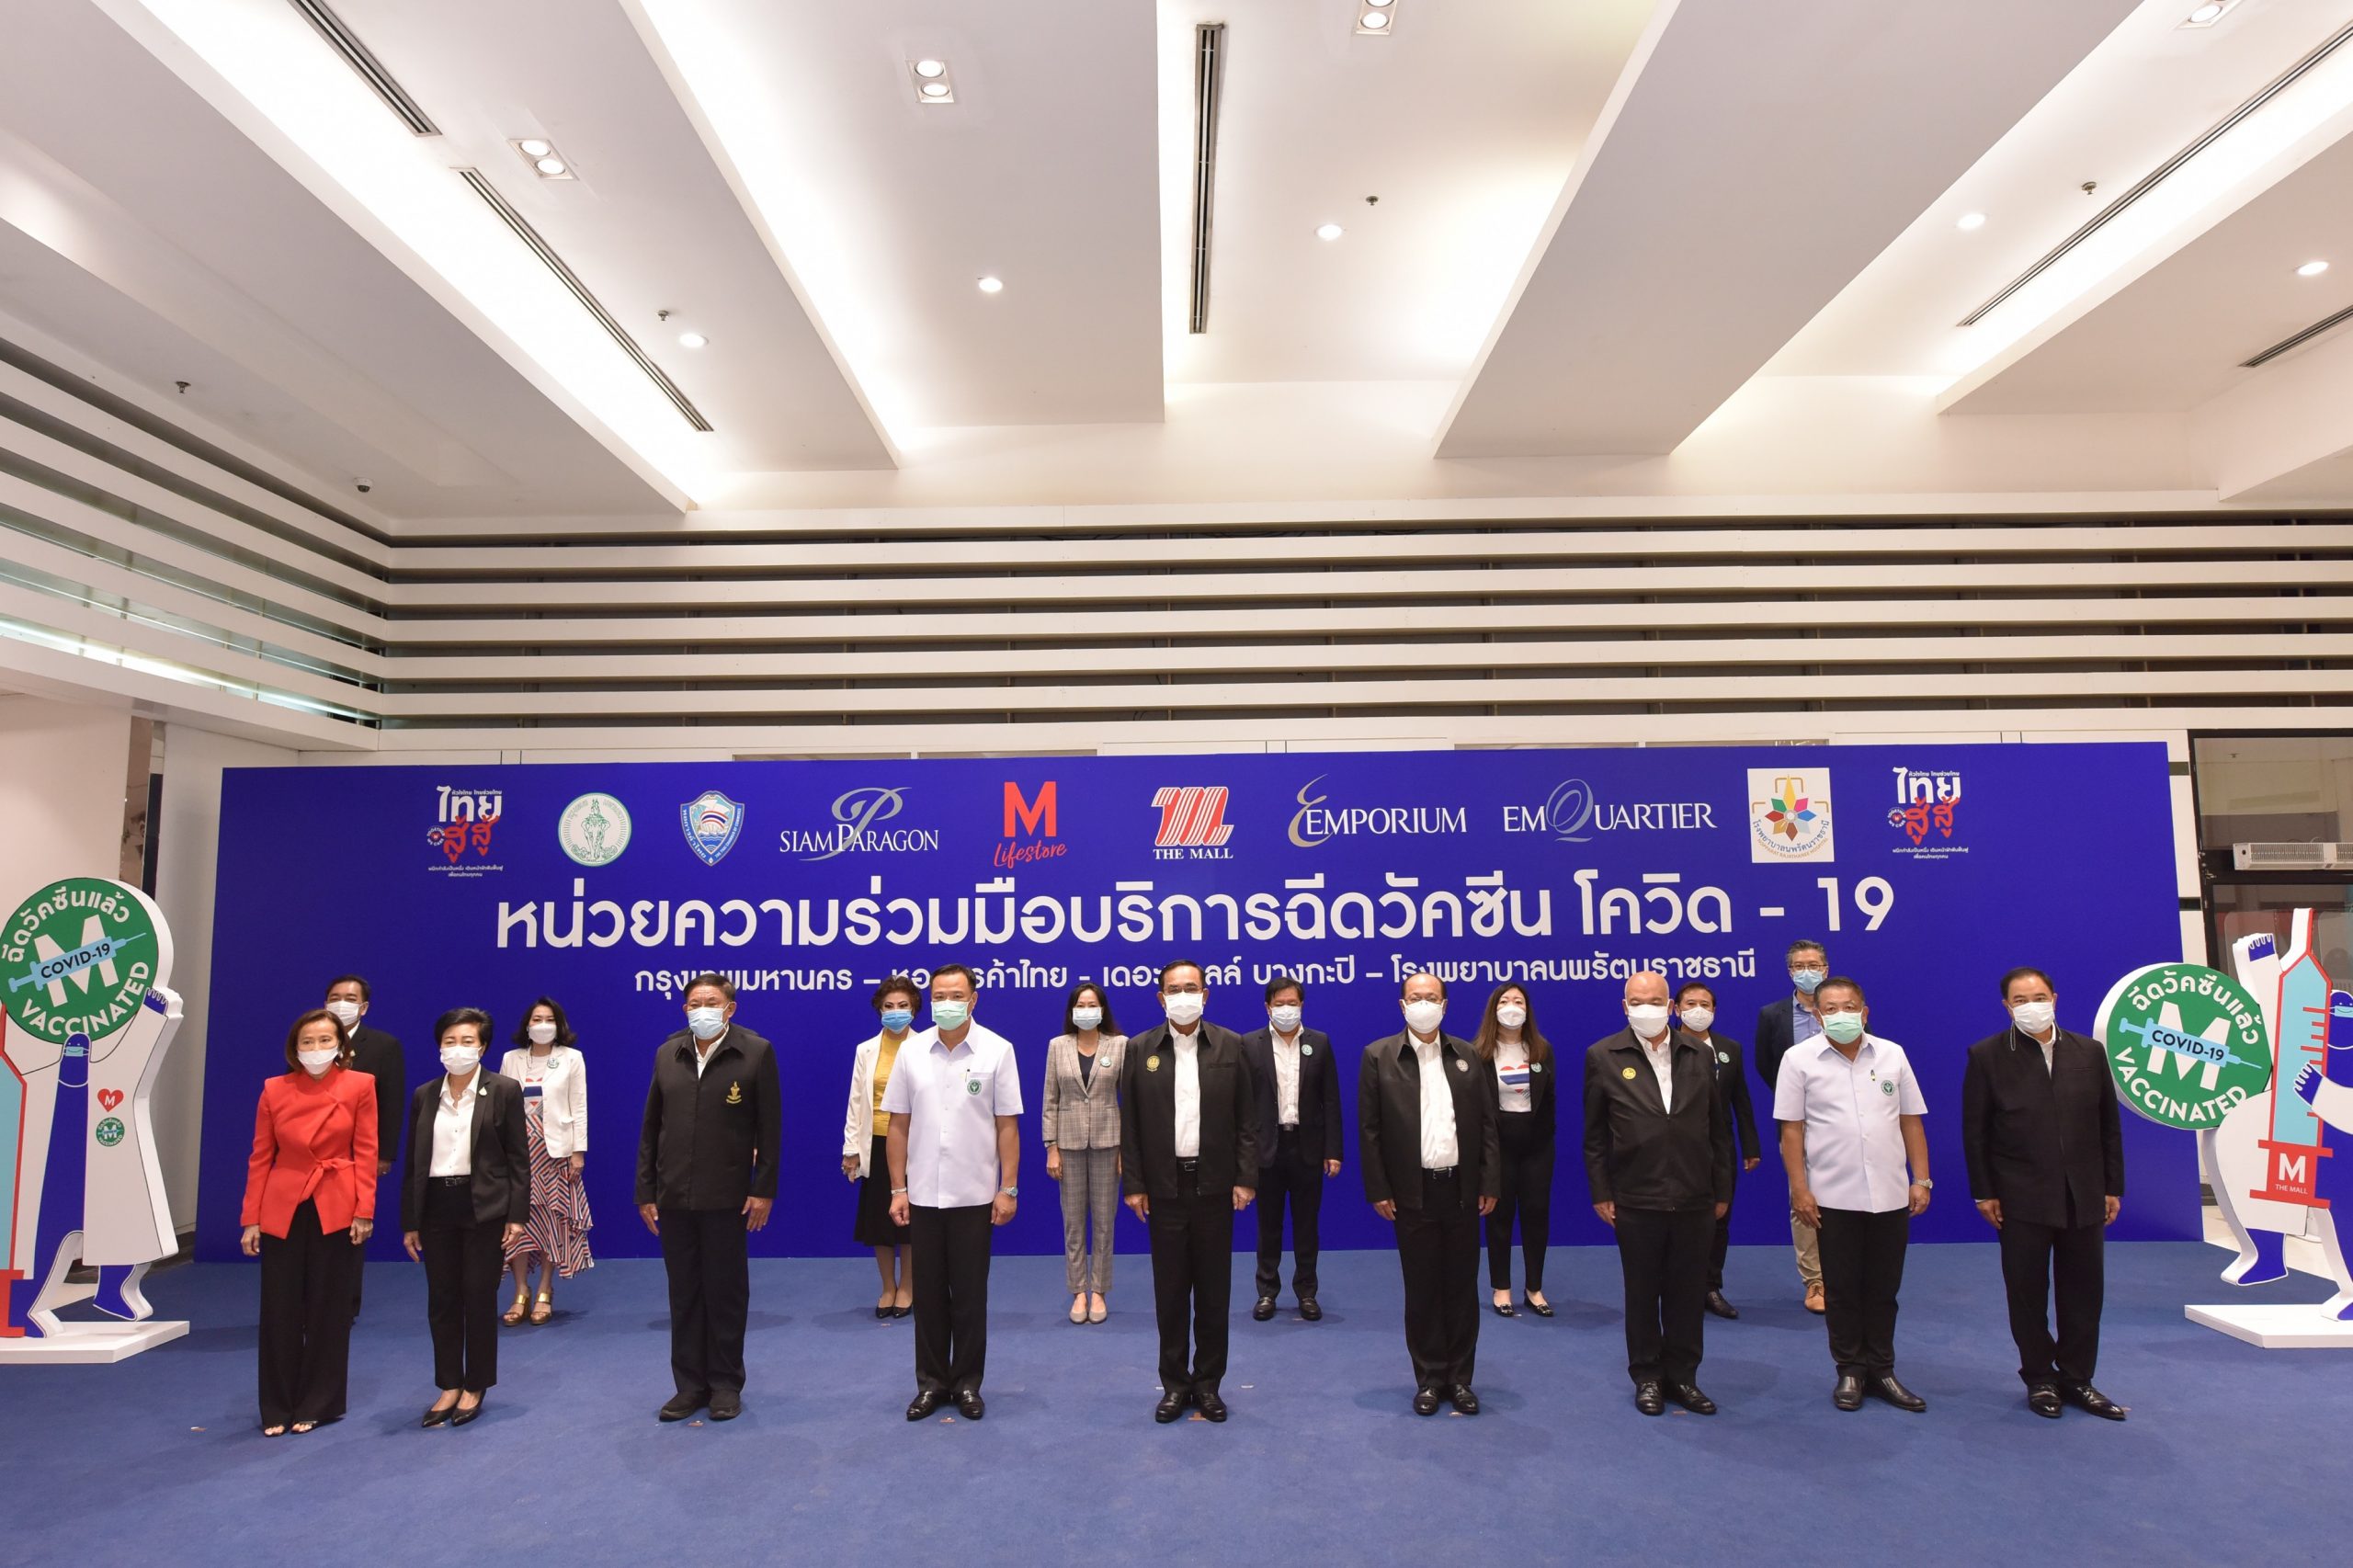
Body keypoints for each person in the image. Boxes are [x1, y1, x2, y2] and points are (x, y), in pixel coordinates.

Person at [1961, 967, 2128, 1421]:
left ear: (2054, 997)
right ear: (2007, 1007)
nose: (2031, 1004)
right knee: (2027, 1292)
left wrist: (2113, 1185)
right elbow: (1975, 1133)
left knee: (2083, 1292)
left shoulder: (2090, 1052)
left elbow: (2107, 1125)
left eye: (2038, 996)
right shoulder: (1987, 1056)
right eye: (2020, 999)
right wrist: (1984, 1192)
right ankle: (2039, 1378)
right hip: (2020, 1197)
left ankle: (2078, 1379)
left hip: (2084, 1194)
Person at [1775, 976, 1932, 1414]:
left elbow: (1911, 1120)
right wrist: (1800, 1190)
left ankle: (1882, 1369)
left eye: (1849, 1007)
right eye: (1830, 1008)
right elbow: (1792, 1130)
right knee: (1842, 1289)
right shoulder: (1798, 1059)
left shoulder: (1892, 1054)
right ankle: (1850, 1369)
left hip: (1889, 1195)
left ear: (1864, 1011)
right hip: (1830, 1197)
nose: (1840, 1014)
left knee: (1884, 1288)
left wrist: (1921, 1179)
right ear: (1818, 1014)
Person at [1585, 971, 1733, 1416]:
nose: (1646, 1008)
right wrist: (1601, 1191)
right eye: (1637, 1000)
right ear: (1624, 1006)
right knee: (1643, 1290)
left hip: (1695, 1194)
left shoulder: (1698, 1054)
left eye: (1655, 1000)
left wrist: (1722, 1187)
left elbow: (1719, 1130)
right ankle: (1648, 1376)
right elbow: (1594, 1136)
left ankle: (1684, 1377)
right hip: (1635, 1195)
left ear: (1671, 1006)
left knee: (1688, 1292)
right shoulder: (1603, 1056)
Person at [636, 973, 781, 1423]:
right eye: (694, 1002)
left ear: (730, 1008)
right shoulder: (668, 1053)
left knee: (725, 1292)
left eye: (712, 1001)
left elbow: (770, 1130)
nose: (702, 1008)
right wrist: (646, 1190)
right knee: (684, 1293)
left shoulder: (755, 1052)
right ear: (685, 1010)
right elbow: (650, 1129)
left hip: (729, 1196)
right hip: (673, 1194)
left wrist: (763, 1189)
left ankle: (724, 1384)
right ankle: (689, 1385)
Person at [885, 963, 1021, 1421]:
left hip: (976, 1196)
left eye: (956, 995)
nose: (947, 1002)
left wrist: (1008, 1188)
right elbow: (898, 1126)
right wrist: (897, 1188)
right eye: (939, 995)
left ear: (973, 999)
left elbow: (1007, 1126)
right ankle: (931, 1384)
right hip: (922, 1195)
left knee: (968, 1296)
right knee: (927, 1297)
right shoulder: (911, 1052)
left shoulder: (997, 1051)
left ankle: (966, 1384)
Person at [1359, 971, 1499, 1416]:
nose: (1425, 1004)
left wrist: (1489, 1181)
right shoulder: (1378, 1056)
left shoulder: (1468, 1056)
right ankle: (1429, 1377)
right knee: (1421, 1290)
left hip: (1461, 1190)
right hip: (1411, 1193)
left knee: (1460, 1288)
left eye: (1432, 997)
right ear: (1403, 1006)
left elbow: (1487, 1126)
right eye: (1416, 997)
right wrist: (1379, 1188)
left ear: (1445, 1004)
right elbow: (1371, 1131)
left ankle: (1460, 1379)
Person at [1122, 960, 1256, 1423]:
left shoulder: (1232, 1045)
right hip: (1163, 1188)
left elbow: (1247, 1120)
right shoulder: (1140, 1049)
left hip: (1216, 1186)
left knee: (1215, 1292)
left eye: (1191, 987)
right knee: (1172, 1292)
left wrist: (1245, 1177)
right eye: (1174, 989)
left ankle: (1209, 1384)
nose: (1183, 995)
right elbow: (1131, 1125)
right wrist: (1135, 1184)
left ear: (1206, 993)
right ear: (1161, 998)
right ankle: (1175, 1384)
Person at [241, 1009, 379, 1436]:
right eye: (307, 1042)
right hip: (282, 1205)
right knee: (279, 1309)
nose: (316, 1049)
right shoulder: (274, 1089)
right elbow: (261, 1156)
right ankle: (277, 1406)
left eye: (324, 1040)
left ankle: (318, 1402)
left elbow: (366, 1151)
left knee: (328, 1308)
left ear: (341, 1045)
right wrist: (251, 1219)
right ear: (294, 1048)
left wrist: (364, 1210)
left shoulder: (361, 1085)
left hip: (335, 1202)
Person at [400, 1008, 529, 1427]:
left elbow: (517, 1160)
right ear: (439, 1046)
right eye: (450, 1041)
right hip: (437, 1206)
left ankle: (476, 1384)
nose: (458, 1049)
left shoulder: (504, 1090)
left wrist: (516, 1215)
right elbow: (414, 1163)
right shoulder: (424, 1094)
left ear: (483, 1047)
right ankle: (448, 1383)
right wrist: (410, 1221)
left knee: (477, 1294)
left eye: (467, 1041)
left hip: (485, 1208)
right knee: (442, 1300)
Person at [1242, 974, 1340, 1323]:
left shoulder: (1320, 1042)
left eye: (1292, 1004)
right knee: (1268, 1226)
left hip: (1307, 1147)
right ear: (1267, 1007)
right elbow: (1243, 1105)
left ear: (1302, 1005)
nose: (1286, 1010)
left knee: (1306, 1225)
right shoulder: (1249, 1044)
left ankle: (1307, 1292)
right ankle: (1267, 1292)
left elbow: (1331, 1100)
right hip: (1266, 1148)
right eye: (1279, 1004)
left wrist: (1333, 1150)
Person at [496, 997, 592, 1326]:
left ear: (559, 1023)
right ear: (527, 1024)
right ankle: (520, 1290)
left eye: (549, 1018)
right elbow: (501, 1106)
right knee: (517, 1222)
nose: (542, 1024)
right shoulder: (511, 1059)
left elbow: (579, 1106)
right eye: (536, 1018)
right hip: (518, 1152)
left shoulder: (571, 1058)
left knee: (553, 1222)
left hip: (556, 1151)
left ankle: (545, 1290)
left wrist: (578, 1151)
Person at [1041, 981, 1125, 1325]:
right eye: (1081, 1004)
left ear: (1102, 1009)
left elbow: (1132, 1102)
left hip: (1110, 1144)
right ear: (1072, 1011)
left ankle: (1099, 1291)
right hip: (1069, 1145)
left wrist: (1128, 1151)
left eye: (1093, 1004)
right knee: (1073, 1223)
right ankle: (1078, 1291)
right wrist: (1051, 1148)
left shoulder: (1120, 1045)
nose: (1087, 1010)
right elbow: (1050, 1100)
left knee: (1105, 1223)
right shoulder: (1058, 1046)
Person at [1677, 982, 1761, 1319]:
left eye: (1706, 1004)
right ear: (1676, 1008)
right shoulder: (1663, 1046)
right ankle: (1679, 1288)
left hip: (1720, 1147)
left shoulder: (1729, 1049)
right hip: (1677, 1148)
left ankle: (1710, 1286)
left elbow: (1741, 1099)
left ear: (1715, 1010)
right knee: (1679, 1221)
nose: (1699, 1010)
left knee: (1719, 1219)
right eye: (1691, 1003)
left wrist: (1750, 1143)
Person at [1753, 941, 1829, 1313]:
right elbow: (1766, 1064)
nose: (1807, 970)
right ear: (1790, 972)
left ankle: (1844, 1276)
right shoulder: (1773, 1015)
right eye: (1799, 965)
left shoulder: (1844, 1009)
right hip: (1796, 1122)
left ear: (1826, 969)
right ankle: (1815, 1281)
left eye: (1813, 964)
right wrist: (1795, 1102)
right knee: (1802, 1199)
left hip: (1845, 1123)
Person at [1475, 983, 1557, 1320]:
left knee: (1536, 1216)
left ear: (1528, 1009)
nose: (1512, 1006)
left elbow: (1549, 1103)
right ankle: (1501, 1287)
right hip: (1498, 1148)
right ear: (1494, 1009)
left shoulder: (1541, 1049)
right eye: (1505, 1001)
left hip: (1536, 1148)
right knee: (1500, 1217)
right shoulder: (1479, 1052)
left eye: (1518, 1001)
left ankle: (1534, 1288)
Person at [324, 974, 402, 1322]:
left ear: (364, 1007)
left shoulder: (383, 1045)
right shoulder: (313, 1040)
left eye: (350, 998)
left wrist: (385, 1153)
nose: (342, 1003)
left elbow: (392, 1101)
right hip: (315, 1154)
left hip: (359, 1153)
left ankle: (345, 1304)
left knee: (352, 1228)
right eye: (335, 996)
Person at [843, 977, 919, 1320]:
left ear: (915, 1009)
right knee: (879, 1222)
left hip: (915, 1145)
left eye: (902, 1006)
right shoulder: (865, 1049)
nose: (896, 1012)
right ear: (879, 1009)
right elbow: (856, 1100)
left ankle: (908, 1287)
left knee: (911, 1222)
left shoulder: (926, 1047)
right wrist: (851, 1149)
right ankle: (888, 1286)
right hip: (875, 1144)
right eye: (889, 1006)